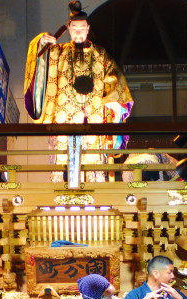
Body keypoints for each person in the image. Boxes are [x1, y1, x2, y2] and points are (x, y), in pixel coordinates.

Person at [24, 0, 133, 183]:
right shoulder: (59, 52)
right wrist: (42, 40)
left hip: (93, 118)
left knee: (93, 169)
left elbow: (116, 83)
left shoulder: (100, 54)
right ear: (68, 28)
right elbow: (40, 63)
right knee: (62, 167)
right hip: (64, 119)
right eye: (74, 28)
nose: (79, 32)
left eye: (82, 28)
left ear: (88, 28)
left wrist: (114, 104)